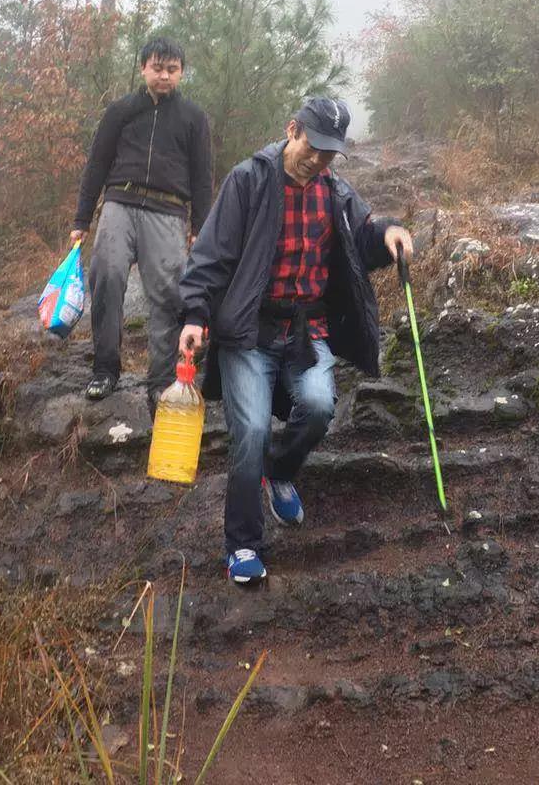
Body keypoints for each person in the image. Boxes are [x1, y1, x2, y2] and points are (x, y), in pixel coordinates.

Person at [177, 96, 413, 585]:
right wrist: (196, 314)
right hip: (249, 332)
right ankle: (243, 543)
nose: (319, 159)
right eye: (314, 146)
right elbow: (212, 254)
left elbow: (362, 239)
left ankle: (279, 471)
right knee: (250, 434)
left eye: (330, 152)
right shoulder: (249, 180)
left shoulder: (333, 191)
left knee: (320, 407)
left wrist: (389, 232)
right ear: (292, 129)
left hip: (307, 331)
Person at [71, 37, 212, 419]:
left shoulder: (193, 118)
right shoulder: (121, 111)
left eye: (172, 69)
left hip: (168, 212)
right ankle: (105, 369)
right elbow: (96, 165)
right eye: (157, 67)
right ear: (143, 68)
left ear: (181, 73)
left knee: (169, 294)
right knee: (107, 275)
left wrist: (201, 226)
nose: (164, 75)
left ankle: (161, 382)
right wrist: (82, 220)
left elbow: (203, 177)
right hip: (120, 202)